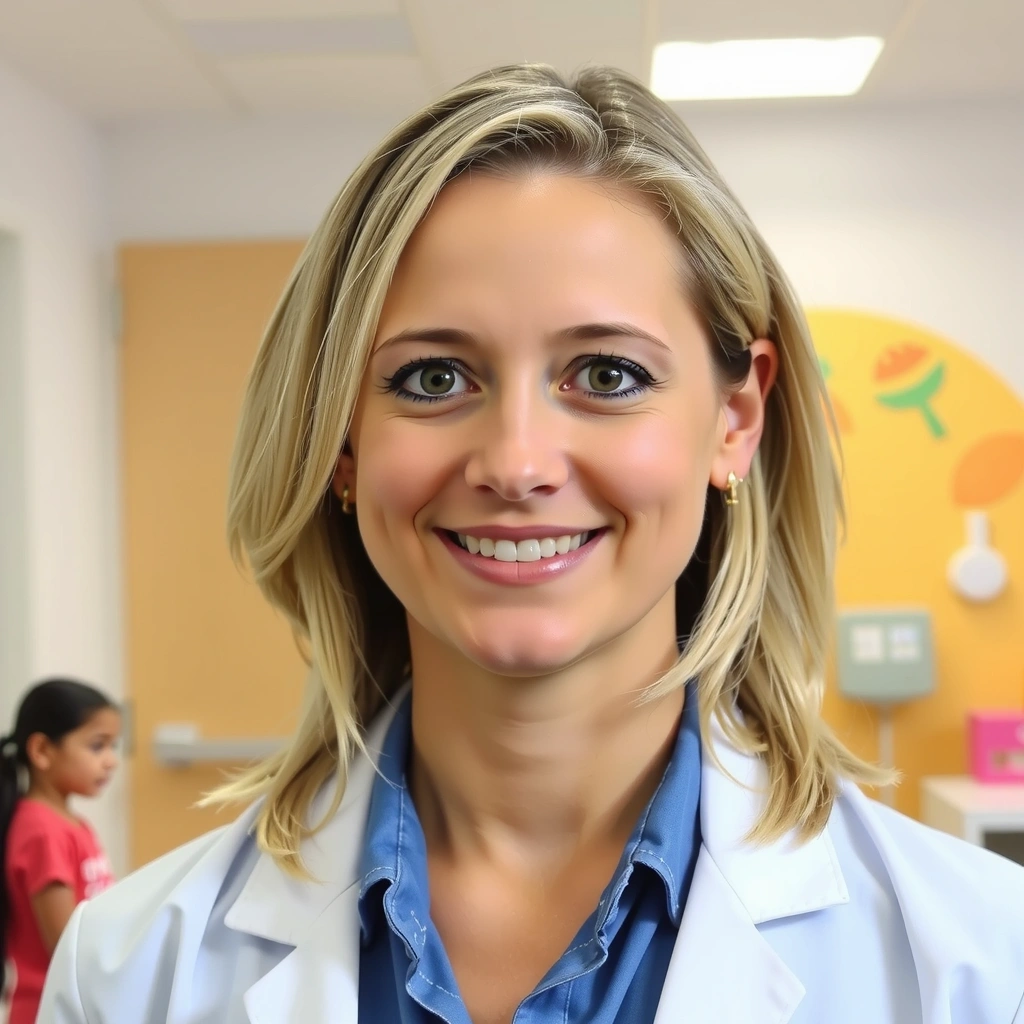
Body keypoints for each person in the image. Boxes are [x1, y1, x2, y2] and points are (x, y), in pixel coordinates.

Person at [40, 64, 1024, 1024]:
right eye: (431, 378)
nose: (514, 463)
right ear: (340, 437)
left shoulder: (983, 963)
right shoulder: (130, 971)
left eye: (605, 373)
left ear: (734, 415)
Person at [1, 679, 118, 1024]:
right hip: (50, 1010)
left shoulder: (71, 824)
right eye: (97, 747)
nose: (111, 761)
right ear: (42, 751)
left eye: (114, 746)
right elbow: (66, 946)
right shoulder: (42, 831)